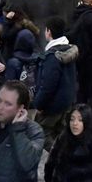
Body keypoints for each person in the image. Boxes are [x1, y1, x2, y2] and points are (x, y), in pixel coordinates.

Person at [34, 17, 79, 150]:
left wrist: (39, 103)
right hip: (67, 101)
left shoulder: (52, 57)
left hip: (53, 104)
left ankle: (61, 158)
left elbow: (47, 85)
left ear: (48, 32)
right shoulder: (69, 50)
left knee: (41, 133)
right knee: (62, 134)